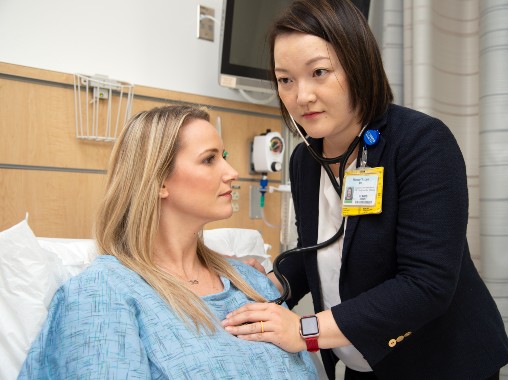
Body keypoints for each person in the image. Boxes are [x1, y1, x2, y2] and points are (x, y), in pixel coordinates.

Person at [220, 1, 508, 379]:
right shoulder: (305, 160)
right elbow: (323, 253)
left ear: (358, 65)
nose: (301, 96)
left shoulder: (420, 143)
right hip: (365, 362)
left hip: (441, 364)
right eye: (285, 79)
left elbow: (426, 284)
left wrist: (304, 330)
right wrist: (266, 283)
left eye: (319, 72)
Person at [17, 105, 317, 379]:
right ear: (159, 180)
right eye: (209, 159)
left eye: (222, 157)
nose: (231, 173)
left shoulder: (250, 282)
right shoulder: (102, 292)